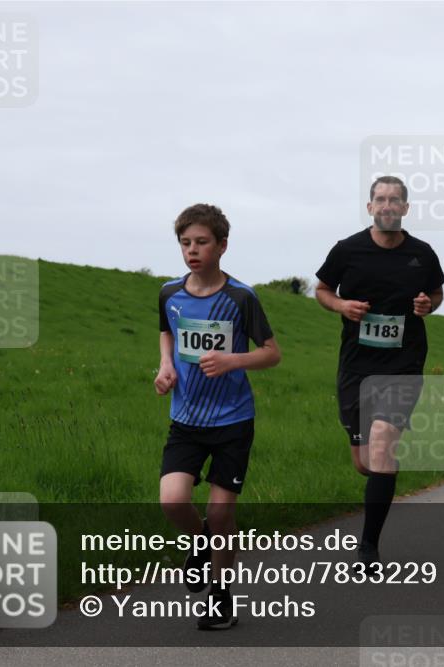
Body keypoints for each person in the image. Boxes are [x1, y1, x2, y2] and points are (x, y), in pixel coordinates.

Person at [155, 203, 282, 630]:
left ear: (222, 246)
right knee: (172, 499)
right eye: (185, 242)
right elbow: (167, 332)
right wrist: (165, 366)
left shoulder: (241, 298)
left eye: (201, 242)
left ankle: (221, 597)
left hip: (231, 422)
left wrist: (232, 361)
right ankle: (201, 545)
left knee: (223, 513)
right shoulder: (169, 293)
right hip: (186, 419)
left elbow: (272, 353)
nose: (192, 250)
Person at [315, 176, 444, 569]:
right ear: (370, 207)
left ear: (406, 209)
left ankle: (368, 548)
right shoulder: (347, 250)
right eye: (380, 199)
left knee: (383, 442)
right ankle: (382, 475)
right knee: (364, 462)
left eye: (395, 200)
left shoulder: (422, 254)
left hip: (403, 364)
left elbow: (436, 293)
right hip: (357, 365)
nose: (387, 205)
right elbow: (321, 289)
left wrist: (427, 305)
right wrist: (341, 306)